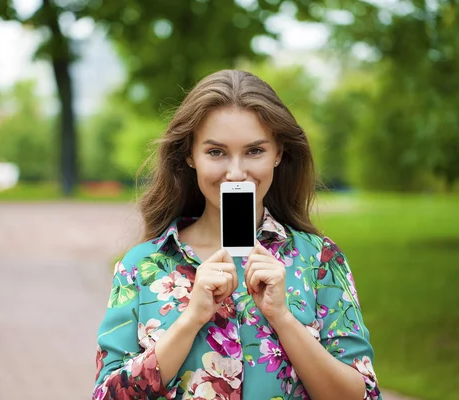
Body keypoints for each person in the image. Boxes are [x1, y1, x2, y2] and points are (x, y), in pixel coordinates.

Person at [92, 70, 381, 400]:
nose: (236, 173)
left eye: (254, 151)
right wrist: (190, 321)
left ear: (278, 153)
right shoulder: (142, 265)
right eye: (216, 152)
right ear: (190, 156)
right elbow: (106, 396)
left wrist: (283, 319)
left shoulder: (320, 261)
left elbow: (364, 396)